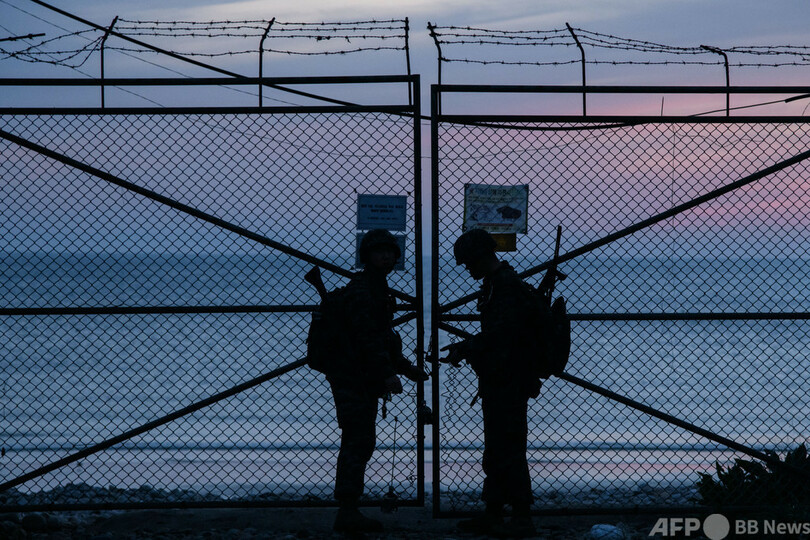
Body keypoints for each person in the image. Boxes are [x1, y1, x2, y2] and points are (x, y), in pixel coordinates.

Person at [441, 228, 541, 538]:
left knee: (509, 447)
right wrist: (469, 348)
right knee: (498, 448)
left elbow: (502, 335)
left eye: (468, 262)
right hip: (501, 377)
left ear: (481, 257)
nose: (467, 268)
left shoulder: (505, 287)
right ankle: (494, 511)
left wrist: (466, 347)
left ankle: (521, 515)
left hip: (509, 379)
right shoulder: (497, 284)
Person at [328, 228, 427, 534]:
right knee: (358, 440)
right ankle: (347, 510)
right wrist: (388, 373)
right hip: (353, 376)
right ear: (367, 256)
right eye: (379, 251)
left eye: (390, 252)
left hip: (361, 376)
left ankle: (349, 508)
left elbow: (383, 338)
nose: (386, 256)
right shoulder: (363, 291)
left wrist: (404, 367)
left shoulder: (377, 288)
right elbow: (367, 339)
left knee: (360, 439)